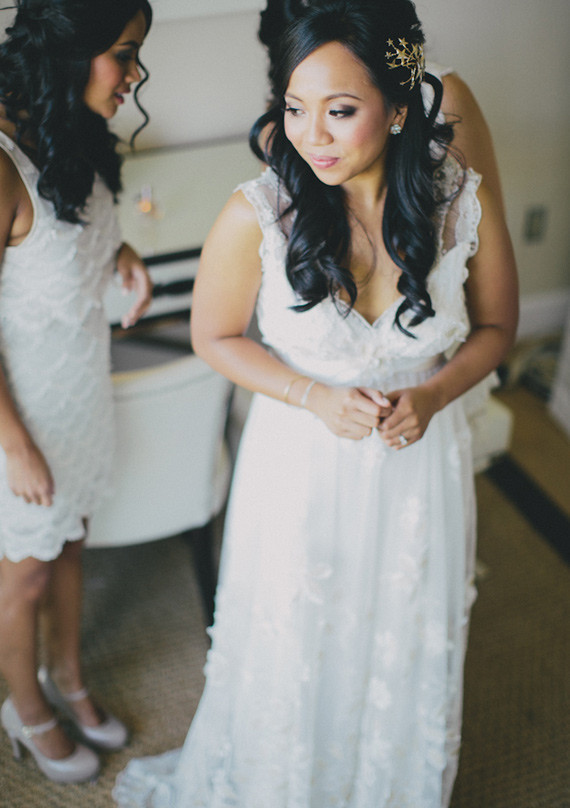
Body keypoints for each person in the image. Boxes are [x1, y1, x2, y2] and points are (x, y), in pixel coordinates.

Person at [114, 0, 518, 805]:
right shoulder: (259, 212)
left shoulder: (457, 201)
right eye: (295, 108)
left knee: (402, 642)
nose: (311, 135)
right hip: (300, 465)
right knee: (294, 647)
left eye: (339, 110)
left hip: (417, 470)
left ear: (398, 108)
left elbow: (499, 326)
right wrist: (312, 395)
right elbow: (212, 336)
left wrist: (435, 393)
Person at [0, 0, 153, 784]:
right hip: (17, 412)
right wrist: (15, 443)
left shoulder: (75, 131)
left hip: (80, 388)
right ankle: (24, 709)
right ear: (68, 49)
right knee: (25, 571)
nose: (135, 75)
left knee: (72, 542)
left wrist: (120, 253)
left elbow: (63, 237)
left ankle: (70, 677)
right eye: (123, 53)